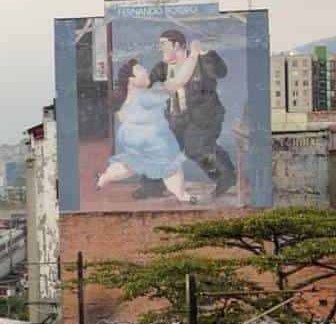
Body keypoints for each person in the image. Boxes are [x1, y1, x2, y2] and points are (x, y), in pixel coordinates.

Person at [96, 49, 203, 203]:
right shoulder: (148, 95)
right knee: (170, 163)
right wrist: (193, 55)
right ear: (131, 80)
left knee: (132, 162)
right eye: (140, 70)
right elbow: (179, 81)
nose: (145, 70)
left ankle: (105, 178)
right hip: (152, 138)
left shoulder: (126, 98)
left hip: (129, 136)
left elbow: (122, 117)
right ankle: (182, 195)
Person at [147, 29, 236, 198]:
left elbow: (222, 72)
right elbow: (147, 83)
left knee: (196, 147)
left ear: (178, 45)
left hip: (204, 116)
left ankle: (226, 177)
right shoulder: (162, 67)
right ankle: (152, 186)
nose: (161, 48)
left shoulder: (201, 61)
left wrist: (207, 53)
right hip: (176, 117)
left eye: (164, 44)